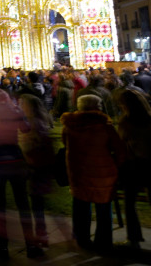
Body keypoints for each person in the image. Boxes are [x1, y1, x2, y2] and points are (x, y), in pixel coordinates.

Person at [0, 89, 41, 258]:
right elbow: (26, 129)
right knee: (22, 202)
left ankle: (3, 246)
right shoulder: (15, 110)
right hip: (14, 159)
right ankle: (31, 245)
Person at [61, 94, 125, 252]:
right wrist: (115, 165)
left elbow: (65, 144)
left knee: (81, 206)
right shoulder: (105, 126)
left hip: (78, 172)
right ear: (97, 107)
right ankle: (103, 242)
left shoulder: (70, 125)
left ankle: (82, 239)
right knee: (103, 209)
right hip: (102, 173)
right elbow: (119, 150)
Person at [115, 89, 151, 251]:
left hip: (134, 165)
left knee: (130, 203)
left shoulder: (126, 122)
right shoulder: (148, 119)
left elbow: (121, 143)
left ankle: (134, 238)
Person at [18, 93, 55, 248]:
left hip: (35, 167)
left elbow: (31, 145)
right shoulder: (40, 122)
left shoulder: (33, 124)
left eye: (22, 105)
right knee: (38, 202)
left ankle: (41, 234)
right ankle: (41, 233)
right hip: (40, 166)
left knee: (36, 203)